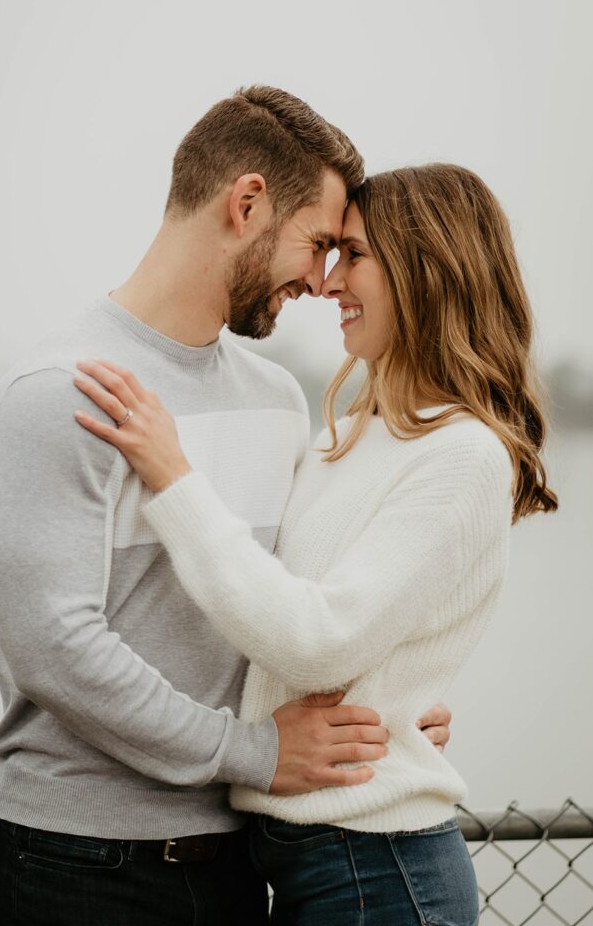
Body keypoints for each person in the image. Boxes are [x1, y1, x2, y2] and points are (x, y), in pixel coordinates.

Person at [0, 87, 451, 926]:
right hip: (68, 868)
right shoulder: (60, 392)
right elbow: (54, 647)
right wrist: (252, 752)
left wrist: (386, 704)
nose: (324, 279)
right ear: (247, 202)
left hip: (232, 865)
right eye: (319, 243)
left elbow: (288, 605)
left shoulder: (276, 400)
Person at [74, 162, 559, 925]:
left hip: (377, 869)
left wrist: (172, 480)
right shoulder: (348, 434)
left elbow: (318, 640)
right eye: (329, 255)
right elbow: (289, 607)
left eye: (355, 256)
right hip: (302, 858)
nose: (328, 283)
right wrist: (394, 699)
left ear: (425, 268)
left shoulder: (464, 455)